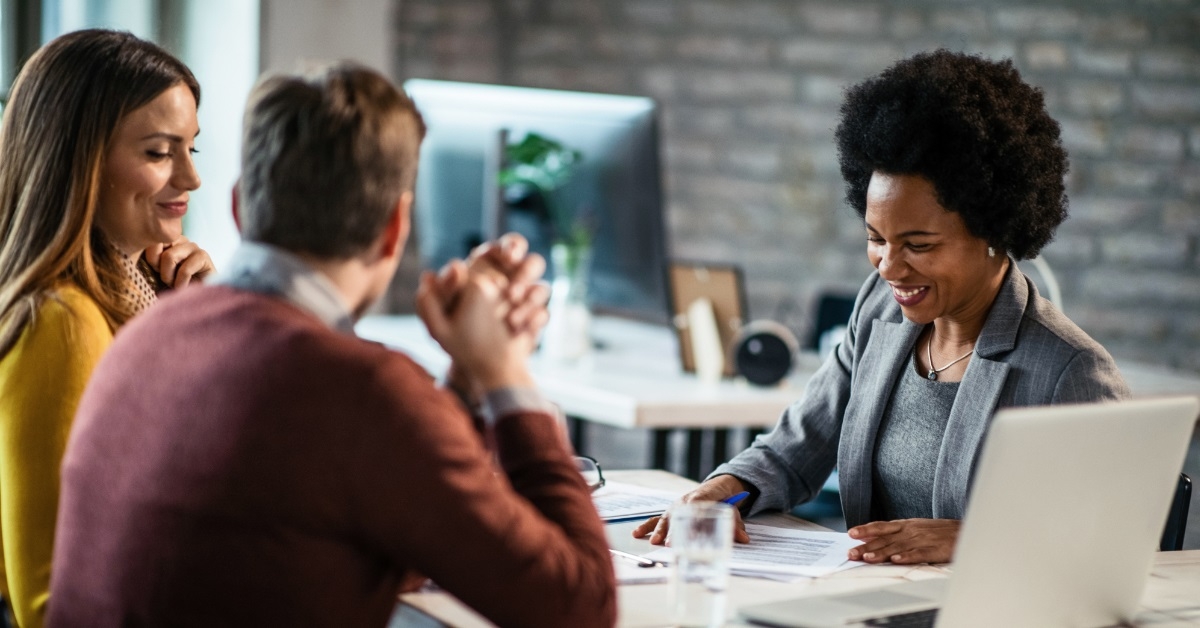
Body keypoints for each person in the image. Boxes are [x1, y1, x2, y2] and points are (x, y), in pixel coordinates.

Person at [48, 63, 616, 628]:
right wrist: (506, 374)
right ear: (396, 226)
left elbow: (382, 520)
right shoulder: (364, 391)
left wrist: (465, 381)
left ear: (240, 206)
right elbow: (582, 607)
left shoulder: (146, 333)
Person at [635, 49, 1130, 564]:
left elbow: (1114, 539)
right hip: (868, 604)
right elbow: (797, 445)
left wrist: (975, 539)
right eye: (876, 238)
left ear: (993, 232)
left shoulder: (1070, 371)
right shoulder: (880, 310)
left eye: (918, 245)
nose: (889, 267)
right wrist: (725, 488)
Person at [0, 29, 214, 627]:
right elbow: (52, 602)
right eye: (158, 152)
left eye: (194, 148)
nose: (191, 179)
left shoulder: (140, 293)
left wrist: (189, 327)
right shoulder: (61, 322)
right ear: (78, 160)